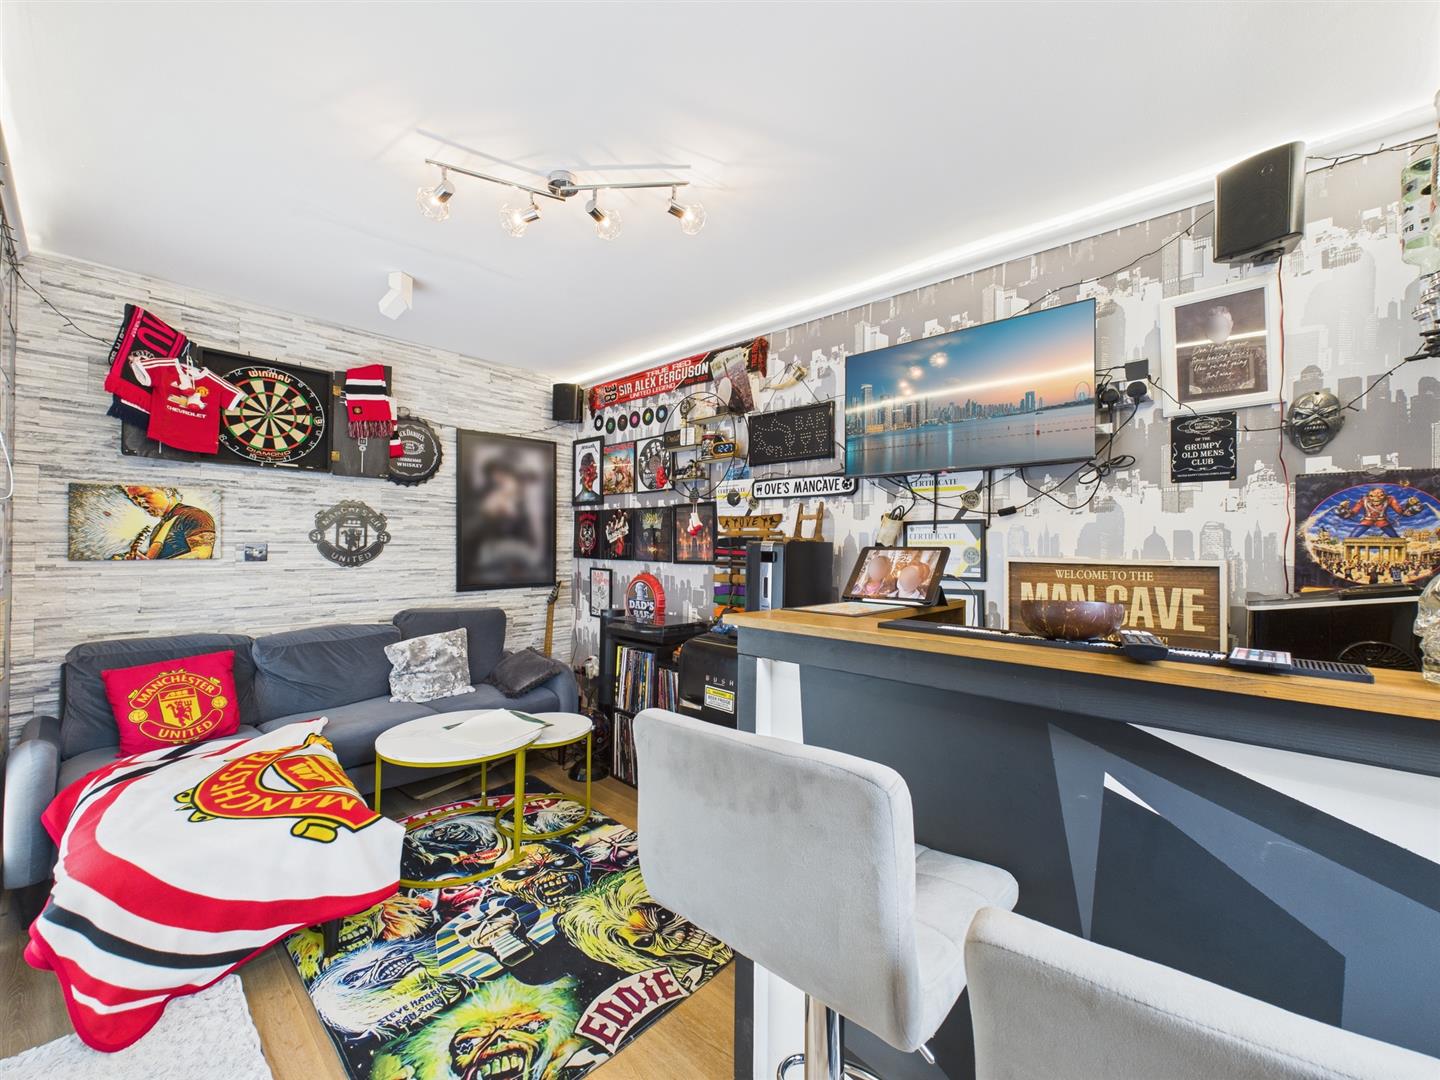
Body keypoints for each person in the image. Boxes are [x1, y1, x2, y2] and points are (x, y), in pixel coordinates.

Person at [114, 486, 215, 560]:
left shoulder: (194, 515)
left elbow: (202, 555)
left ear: (168, 491)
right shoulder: (158, 527)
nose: (140, 502)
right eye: (134, 498)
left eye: (144, 495)